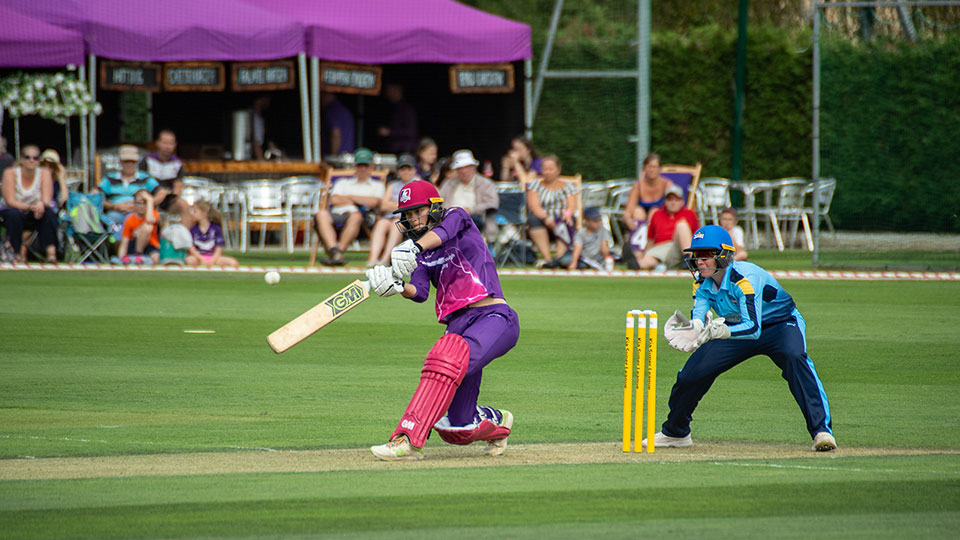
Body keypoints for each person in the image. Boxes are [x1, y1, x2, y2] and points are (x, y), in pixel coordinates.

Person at [364, 180, 519, 461]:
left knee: (445, 359)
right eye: (407, 215)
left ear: (434, 207)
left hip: (493, 317)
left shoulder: (456, 217)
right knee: (458, 428)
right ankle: (497, 421)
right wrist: (398, 286)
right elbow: (420, 292)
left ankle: (407, 440)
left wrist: (413, 249)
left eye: (417, 211)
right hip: (458, 328)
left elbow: (444, 231)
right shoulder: (421, 254)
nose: (412, 219)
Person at [654, 224, 836, 452]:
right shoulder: (701, 282)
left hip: (779, 324)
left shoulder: (744, 278)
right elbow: (700, 315)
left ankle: (821, 431)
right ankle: (675, 432)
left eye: (706, 254)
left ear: (724, 254)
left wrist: (718, 331)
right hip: (733, 327)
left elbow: (753, 327)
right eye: (696, 255)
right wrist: (694, 329)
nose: (699, 261)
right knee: (692, 373)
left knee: (794, 357)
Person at [314, 148, 385, 265]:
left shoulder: (377, 185)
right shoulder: (342, 182)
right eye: (359, 165)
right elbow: (334, 199)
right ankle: (334, 251)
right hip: (337, 213)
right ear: (355, 166)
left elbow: (374, 202)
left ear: (371, 166)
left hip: (361, 217)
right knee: (321, 214)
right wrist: (359, 200)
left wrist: (349, 197)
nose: (362, 169)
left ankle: (338, 251)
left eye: (365, 165)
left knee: (356, 216)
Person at [0, 144, 58, 262]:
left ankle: (51, 253)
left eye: (35, 158)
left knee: (48, 213)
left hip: (35, 212)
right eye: (27, 157)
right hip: (13, 209)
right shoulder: (10, 173)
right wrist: (32, 207)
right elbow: (10, 201)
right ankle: (15, 253)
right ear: (21, 159)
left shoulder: (44, 173)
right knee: (13, 215)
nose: (31, 160)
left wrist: (40, 204)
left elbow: (47, 199)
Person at [365, 153, 420, 267]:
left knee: (396, 224)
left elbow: (417, 205)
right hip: (391, 217)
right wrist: (403, 206)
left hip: (409, 219)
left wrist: (395, 206)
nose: (406, 172)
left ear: (414, 170)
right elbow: (383, 205)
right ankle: (373, 258)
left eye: (409, 168)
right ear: (398, 171)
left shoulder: (419, 184)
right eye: (402, 169)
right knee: (381, 223)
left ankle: (385, 258)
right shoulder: (393, 185)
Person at [525, 155, 577, 266]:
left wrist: (567, 214)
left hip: (561, 218)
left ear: (558, 170)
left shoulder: (568, 187)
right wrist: (546, 218)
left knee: (568, 221)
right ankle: (548, 259)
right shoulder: (535, 186)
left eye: (550, 169)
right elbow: (534, 206)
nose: (547, 172)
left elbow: (572, 205)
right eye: (545, 169)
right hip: (543, 219)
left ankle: (560, 258)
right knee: (533, 219)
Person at [438, 149, 499, 243]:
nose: (464, 171)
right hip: (448, 219)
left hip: (474, 220)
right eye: (460, 168)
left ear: (474, 167)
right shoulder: (448, 184)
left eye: (467, 167)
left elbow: (492, 203)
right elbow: (439, 201)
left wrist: (470, 210)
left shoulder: (486, 183)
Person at [97, 145, 159, 237]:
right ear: (120, 162)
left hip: (140, 213)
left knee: (139, 219)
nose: (129, 164)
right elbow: (96, 195)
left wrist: (144, 206)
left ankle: (133, 248)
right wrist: (113, 206)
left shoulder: (145, 178)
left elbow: (161, 193)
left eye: (132, 162)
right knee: (112, 217)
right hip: (116, 212)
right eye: (126, 161)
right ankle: (117, 247)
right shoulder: (109, 178)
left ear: (137, 162)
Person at [636, 184, 699, 270]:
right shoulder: (657, 214)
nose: (673, 202)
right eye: (669, 199)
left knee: (682, 225)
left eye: (676, 199)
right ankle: (638, 264)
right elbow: (650, 240)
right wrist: (643, 254)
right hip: (660, 249)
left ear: (682, 202)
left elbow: (698, 237)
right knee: (648, 260)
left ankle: (689, 260)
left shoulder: (689, 214)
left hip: (679, 249)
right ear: (665, 201)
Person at [139, 130, 192, 226]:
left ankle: (186, 237)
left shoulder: (177, 163)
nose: (168, 147)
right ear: (158, 143)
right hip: (149, 198)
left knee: (183, 205)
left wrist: (171, 195)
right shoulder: (147, 160)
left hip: (168, 199)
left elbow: (178, 188)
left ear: (175, 145)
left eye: (171, 143)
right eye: (165, 143)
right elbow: (140, 184)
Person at [185, 201, 238, 268]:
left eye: (195, 211)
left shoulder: (216, 228)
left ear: (204, 214)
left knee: (233, 262)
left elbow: (219, 247)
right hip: (198, 257)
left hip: (213, 257)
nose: (192, 214)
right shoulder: (193, 229)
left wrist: (213, 260)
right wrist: (201, 259)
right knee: (190, 260)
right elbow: (191, 248)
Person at [116, 189, 160, 264]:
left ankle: (140, 256)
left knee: (147, 226)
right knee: (147, 227)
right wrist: (121, 257)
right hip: (134, 245)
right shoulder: (130, 219)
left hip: (150, 245)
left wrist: (150, 200)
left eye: (145, 203)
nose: (142, 206)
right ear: (135, 204)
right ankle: (138, 254)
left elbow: (149, 220)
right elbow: (125, 241)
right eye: (139, 203)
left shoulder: (154, 214)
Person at [565, 206, 614, 270]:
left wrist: (607, 258)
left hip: (595, 259)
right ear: (586, 221)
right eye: (595, 221)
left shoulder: (603, 231)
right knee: (566, 260)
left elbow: (604, 247)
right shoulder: (581, 233)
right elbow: (578, 248)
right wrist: (574, 262)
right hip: (583, 258)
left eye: (599, 220)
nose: (598, 223)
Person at [376, 83, 418, 154]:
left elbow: (411, 131)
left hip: (405, 151)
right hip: (395, 150)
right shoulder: (394, 108)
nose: (388, 94)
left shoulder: (406, 109)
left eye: (390, 91)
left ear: (397, 90)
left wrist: (389, 132)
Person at [320, 92, 355, 157]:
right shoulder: (342, 109)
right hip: (347, 157)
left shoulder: (333, 110)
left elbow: (335, 134)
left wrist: (333, 156)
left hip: (337, 159)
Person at [250, 95, 271, 161]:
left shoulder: (259, 117)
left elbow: (269, 142)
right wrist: (260, 159)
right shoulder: (251, 116)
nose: (268, 102)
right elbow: (254, 141)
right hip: (251, 157)